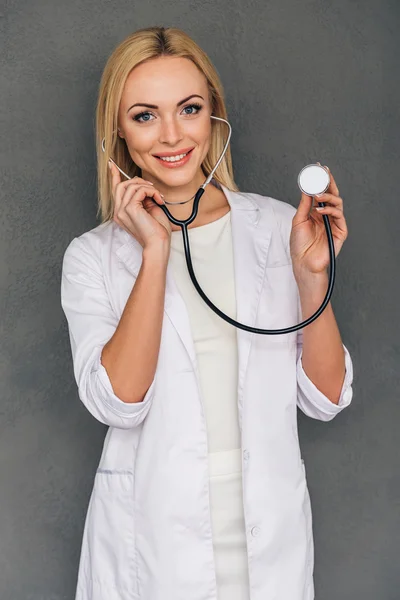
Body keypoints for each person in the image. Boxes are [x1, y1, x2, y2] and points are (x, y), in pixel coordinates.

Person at [61, 25, 353, 600]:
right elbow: (118, 402)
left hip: (265, 538)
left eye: (189, 109)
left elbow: (325, 399)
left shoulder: (277, 228)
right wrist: (154, 253)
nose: (171, 135)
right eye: (144, 116)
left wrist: (311, 277)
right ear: (115, 133)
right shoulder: (93, 257)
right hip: (153, 543)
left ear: (213, 116)